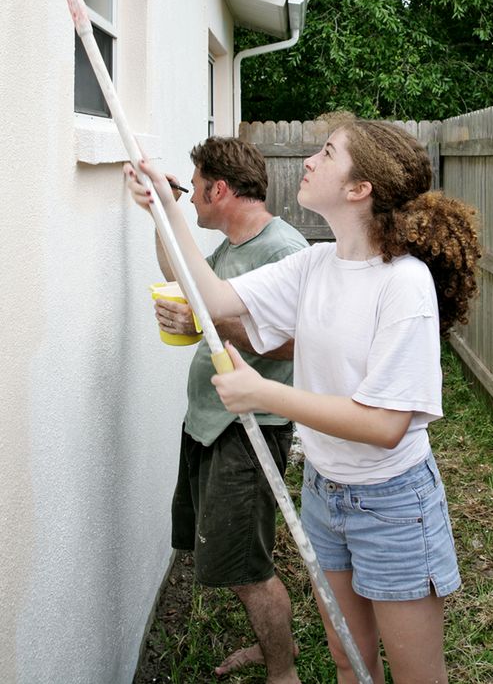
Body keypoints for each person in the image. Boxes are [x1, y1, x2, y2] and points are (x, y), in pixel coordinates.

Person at [126, 116, 481, 684]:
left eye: (326, 152)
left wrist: (264, 393)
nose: (310, 161)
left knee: (417, 677)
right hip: (323, 491)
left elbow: (387, 423)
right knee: (349, 660)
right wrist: (166, 210)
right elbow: (215, 297)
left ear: (358, 189)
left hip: (392, 503)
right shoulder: (316, 264)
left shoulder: (403, 283)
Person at [150, 136, 308, 683]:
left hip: (250, 429)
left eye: (194, 188)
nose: (191, 198)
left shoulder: (282, 249)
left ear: (219, 188)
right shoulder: (234, 246)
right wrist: (158, 213)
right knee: (232, 559)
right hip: (211, 423)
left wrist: (207, 324)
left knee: (248, 568)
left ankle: (283, 672)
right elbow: (186, 285)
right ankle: (269, 651)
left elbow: (298, 342)